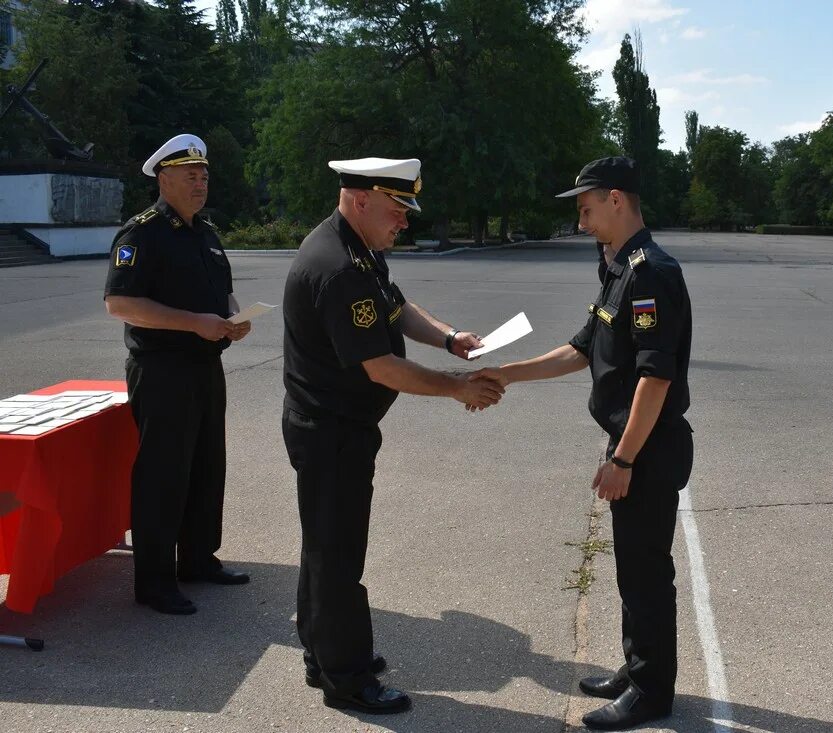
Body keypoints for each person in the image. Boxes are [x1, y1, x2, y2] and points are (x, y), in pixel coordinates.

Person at [281, 156, 504, 715]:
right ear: (361, 200)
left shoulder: (359, 251)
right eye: (397, 207)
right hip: (332, 431)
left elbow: (397, 309)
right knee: (338, 558)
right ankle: (347, 679)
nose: (404, 220)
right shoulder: (340, 268)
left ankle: (322, 652)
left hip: (336, 426)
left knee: (324, 548)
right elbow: (379, 366)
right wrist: (456, 387)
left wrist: (450, 338)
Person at [490, 156, 693, 730]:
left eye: (585, 208)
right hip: (631, 441)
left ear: (617, 200)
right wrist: (508, 373)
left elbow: (656, 379)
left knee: (646, 571)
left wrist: (624, 457)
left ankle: (652, 691)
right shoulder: (618, 267)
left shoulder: (652, 272)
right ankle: (638, 667)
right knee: (631, 567)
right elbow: (582, 348)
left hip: (647, 447)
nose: (580, 221)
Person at [104, 134, 252, 616]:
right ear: (163, 179)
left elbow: (220, 293)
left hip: (206, 365)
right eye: (190, 175)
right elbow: (121, 303)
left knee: (207, 466)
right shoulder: (142, 233)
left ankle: (198, 558)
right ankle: (154, 580)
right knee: (164, 475)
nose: (200, 182)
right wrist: (195, 323)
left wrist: (233, 317)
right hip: (163, 368)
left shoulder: (205, 232)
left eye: (204, 175)